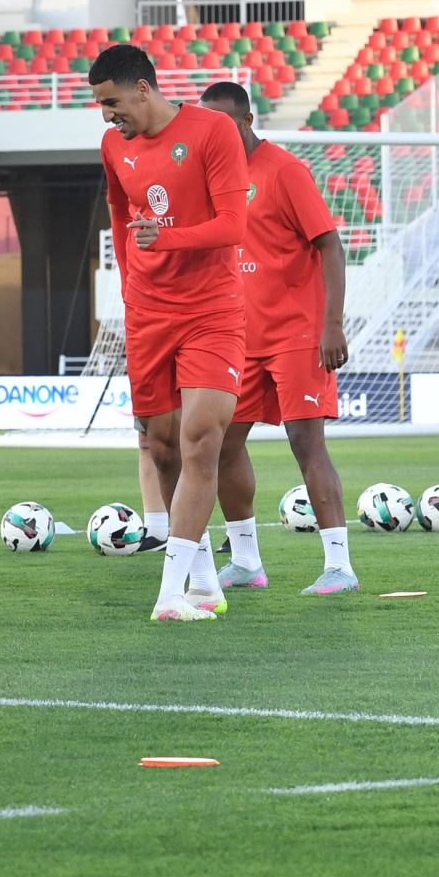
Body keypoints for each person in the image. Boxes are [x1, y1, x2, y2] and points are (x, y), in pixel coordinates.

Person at [89, 43, 247, 623]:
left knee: (202, 436)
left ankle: (169, 594)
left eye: (111, 102)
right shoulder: (113, 146)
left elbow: (234, 225)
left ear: (144, 89)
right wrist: (131, 284)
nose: (107, 115)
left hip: (212, 309)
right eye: (101, 105)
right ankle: (203, 581)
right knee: (161, 449)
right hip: (149, 313)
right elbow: (119, 211)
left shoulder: (212, 132)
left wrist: (168, 240)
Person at [197, 80, 357, 595]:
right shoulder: (211, 178)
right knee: (221, 444)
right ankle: (245, 560)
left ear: (245, 121)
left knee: (305, 442)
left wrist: (332, 323)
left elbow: (330, 246)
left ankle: (339, 566)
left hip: (297, 334)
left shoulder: (285, 171)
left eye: (221, 123)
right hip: (237, 336)